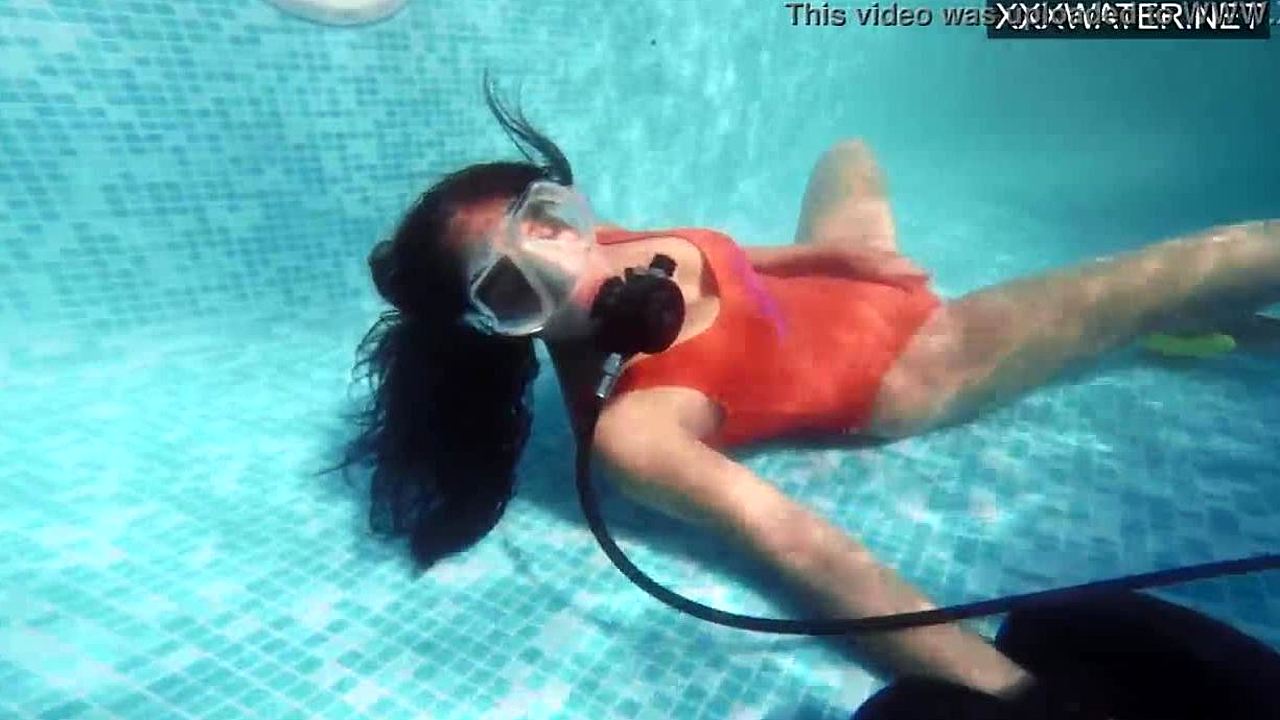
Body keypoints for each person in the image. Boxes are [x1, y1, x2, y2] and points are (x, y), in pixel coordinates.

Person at [327, 80, 1280, 710]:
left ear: (562, 205)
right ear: (497, 328)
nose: (563, 270)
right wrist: (1018, 695)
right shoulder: (634, 429)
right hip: (917, 359)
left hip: (846, 289)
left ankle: (1164, 326)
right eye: (509, 289)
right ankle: (1160, 321)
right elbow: (800, 546)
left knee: (848, 152)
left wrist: (832, 255)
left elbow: (723, 251)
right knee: (1194, 267)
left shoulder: (603, 239)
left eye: (545, 224)